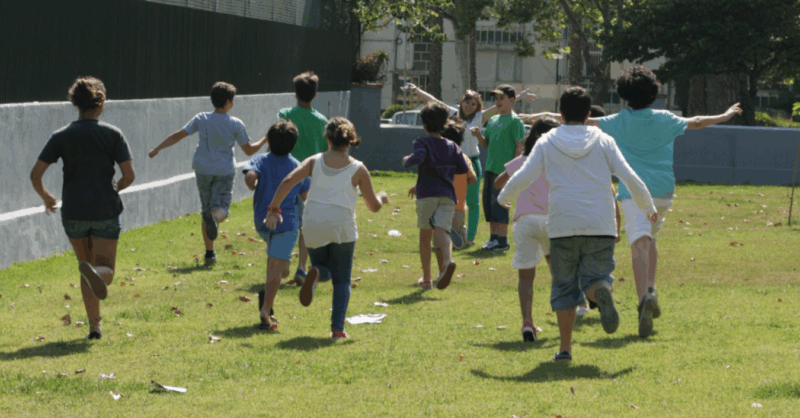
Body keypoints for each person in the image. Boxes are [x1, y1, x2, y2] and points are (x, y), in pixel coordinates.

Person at [498, 87, 656, 363]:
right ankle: (600, 292)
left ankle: (566, 349)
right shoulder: (604, 140)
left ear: (560, 114)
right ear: (588, 114)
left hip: (562, 222)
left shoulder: (547, 141)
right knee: (595, 278)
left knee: (564, 286)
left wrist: (504, 197)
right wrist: (648, 207)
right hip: (601, 222)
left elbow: (525, 174)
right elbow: (628, 176)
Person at [589, 66, 742, 338]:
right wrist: (726, 115)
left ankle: (643, 300)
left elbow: (583, 121)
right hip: (662, 193)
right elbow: (696, 121)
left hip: (634, 193)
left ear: (624, 94)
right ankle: (650, 289)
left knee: (639, 243)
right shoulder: (665, 118)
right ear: (653, 93)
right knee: (651, 239)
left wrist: (541, 115)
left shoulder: (618, 121)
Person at [30, 76, 136, 340]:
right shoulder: (112, 134)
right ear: (100, 104)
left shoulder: (61, 136)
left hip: (74, 212)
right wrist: (117, 187)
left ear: (75, 103)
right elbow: (129, 175)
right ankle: (96, 278)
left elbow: (36, 174)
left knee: (84, 266)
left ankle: (94, 326)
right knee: (105, 270)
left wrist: (46, 197)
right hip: (105, 210)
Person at [265, 117, 388, 340]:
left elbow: (287, 181)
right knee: (342, 279)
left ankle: (317, 272)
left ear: (327, 139)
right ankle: (337, 329)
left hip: (312, 221)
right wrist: (382, 196)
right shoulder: (359, 169)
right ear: (350, 140)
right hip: (342, 224)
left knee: (322, 265)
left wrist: (274, 209)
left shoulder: (314, 161)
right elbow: (373, 206)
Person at [402, 83, 537, 247]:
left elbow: (501, 106)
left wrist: (519, 97)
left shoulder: (480, 117)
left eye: (473, 104)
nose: (469, 106)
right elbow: (433, 100)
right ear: (461, 101)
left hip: (471, 162)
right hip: (451, 165)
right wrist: (416, 90)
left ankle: (470, 238)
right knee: (451, 201)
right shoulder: (452, 114)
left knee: (473, 203)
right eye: (467, 102)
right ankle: (453, 233)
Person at [149, 82, 267, 265]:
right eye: (233, 101)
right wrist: (266, 139)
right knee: (221, 210)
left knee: (206, 210)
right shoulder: (235, 123)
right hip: (224, 171)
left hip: (202, 169)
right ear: (228, 102)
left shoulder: (201, 118)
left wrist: (158, 148)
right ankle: (214, 220)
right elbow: (249, 150)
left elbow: (178, 135)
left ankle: (210, 254)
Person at [494, 118, 560, 342]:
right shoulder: (559, 162)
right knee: (559, 272)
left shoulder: (522, 161)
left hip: (524, 221)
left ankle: (527, 322)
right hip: (552, 221)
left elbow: (498, 183)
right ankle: (570, 312)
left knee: (526, 277)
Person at [243, 120, 310, 330]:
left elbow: (250, 177)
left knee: (274, 263)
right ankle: (265, 309)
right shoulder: (297, 165)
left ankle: (266, 305)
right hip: (287, 223)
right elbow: (305, 195)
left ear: (269, 141)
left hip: (262, 223)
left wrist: (253, 180)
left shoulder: (260, 160)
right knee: (275, 265)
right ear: (294, 143)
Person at [403, 102, 471, 290]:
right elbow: (463, 168)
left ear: (424, 125)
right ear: (445, 124)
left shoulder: (421, 142)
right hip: (448, 195)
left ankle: (426, 279)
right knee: (442, 230)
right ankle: (447, 262)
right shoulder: (452, 146)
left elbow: (417, 158)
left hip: (427, 194)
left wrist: (406, 160)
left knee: (425, 236)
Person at [278, 71, 329, 286]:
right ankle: (301, 266)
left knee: (286, 220)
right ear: (315, 95)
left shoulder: (285, 114)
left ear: (295, 92)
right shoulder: (322, 121)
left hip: (288, 175)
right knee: (305, 224)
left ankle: (283, 259)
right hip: (312, 178)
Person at [470, 85, 526, 252]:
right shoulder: (493, 120)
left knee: (501, 205)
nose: (498, 102)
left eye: (502, 98)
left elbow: (519, 147)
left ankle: (502, 241)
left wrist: (512, 171)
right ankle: (493, 239)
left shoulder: (515, 121)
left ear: (512, 100)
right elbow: (486, 145)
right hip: (490, 169)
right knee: (490, 205)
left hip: (504, 172)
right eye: (496, 99)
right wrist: (479, 135)